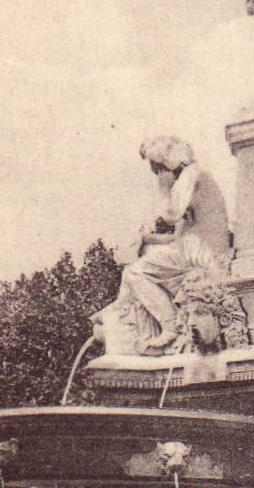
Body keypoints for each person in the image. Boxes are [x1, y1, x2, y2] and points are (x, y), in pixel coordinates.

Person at [99, 136, 231, 353]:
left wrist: (164, 188)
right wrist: (147, 240)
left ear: (165, 163)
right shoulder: (194, 176)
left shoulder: (189, 176)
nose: (155, 173)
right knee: (148, 256)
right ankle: (125, 313)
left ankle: (169, 329)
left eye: (156, 168)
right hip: (196, 247)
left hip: (203, 253)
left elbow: (170, 215)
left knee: (135, 272)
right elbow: (179, 234)